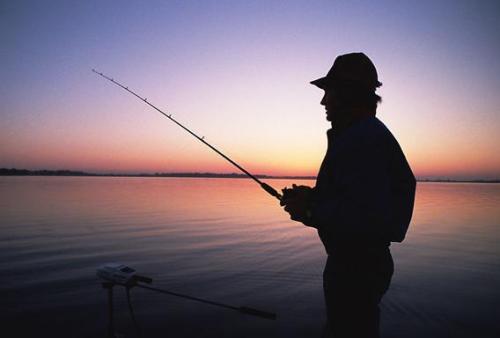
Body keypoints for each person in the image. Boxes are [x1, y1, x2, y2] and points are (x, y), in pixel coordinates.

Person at [280, 53, 416, 338]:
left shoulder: (363, 140)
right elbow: (358, 197)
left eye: (328, 92)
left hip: (356, 269)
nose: (323, 101)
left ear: (347, 93)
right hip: (358, 265)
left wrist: (310, 210)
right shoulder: (361, 136)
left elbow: (369, 217)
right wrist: (314, 197)